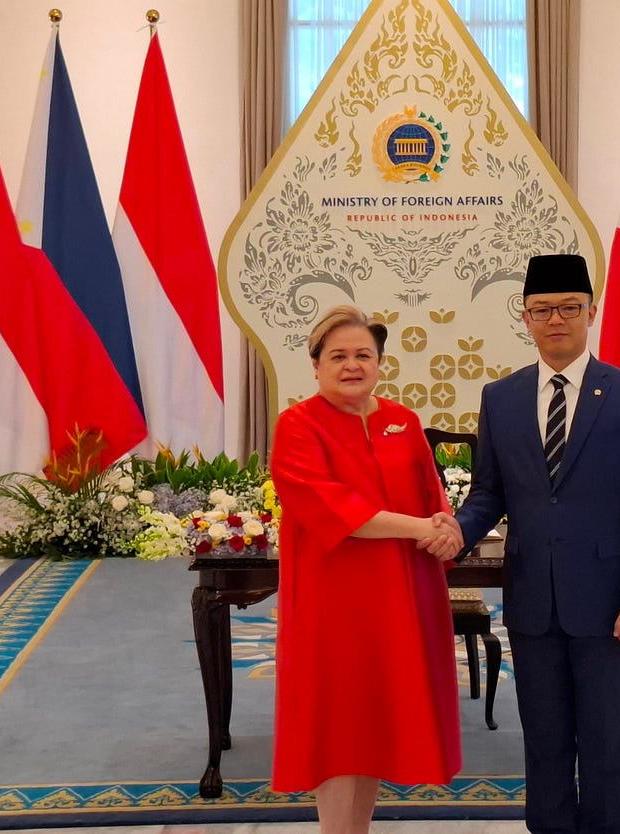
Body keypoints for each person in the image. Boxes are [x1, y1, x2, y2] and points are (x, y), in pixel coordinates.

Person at [450, 253, 620, 834]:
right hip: (533, 602)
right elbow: (488, 495)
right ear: (524, 317)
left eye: (569, 307)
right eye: (542, 309)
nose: (556, 319)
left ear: (591, 312)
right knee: (544, 740)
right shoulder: (501, 398)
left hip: (608, 605)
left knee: (603, 742)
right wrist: (452, 532)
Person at [268, 304, 464, 834]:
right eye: (338, 356)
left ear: (379, 362)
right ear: (315, 365)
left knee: (376, 719)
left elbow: (432, 495)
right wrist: (422, 528)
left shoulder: (404, 419)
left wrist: (446, 528)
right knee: (339, 724)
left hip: (404, 593)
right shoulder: (297, 426)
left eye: (363, 355)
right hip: (335, 599)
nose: (352, 365)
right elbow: (338, 511)